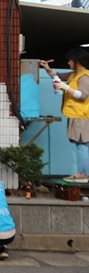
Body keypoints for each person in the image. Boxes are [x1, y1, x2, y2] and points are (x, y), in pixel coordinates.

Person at [39, 48, 89, 183]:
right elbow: (58, 76)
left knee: (82, 144)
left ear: (77, 61)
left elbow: (83, 96)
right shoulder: (74, 74)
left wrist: (66, 88)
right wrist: (48, 69)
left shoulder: (84, 77)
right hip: (75, 114)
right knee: (82, 144)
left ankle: (83, 174)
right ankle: (83, 173)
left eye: (70, 60)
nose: (68, 63)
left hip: (81, 115)